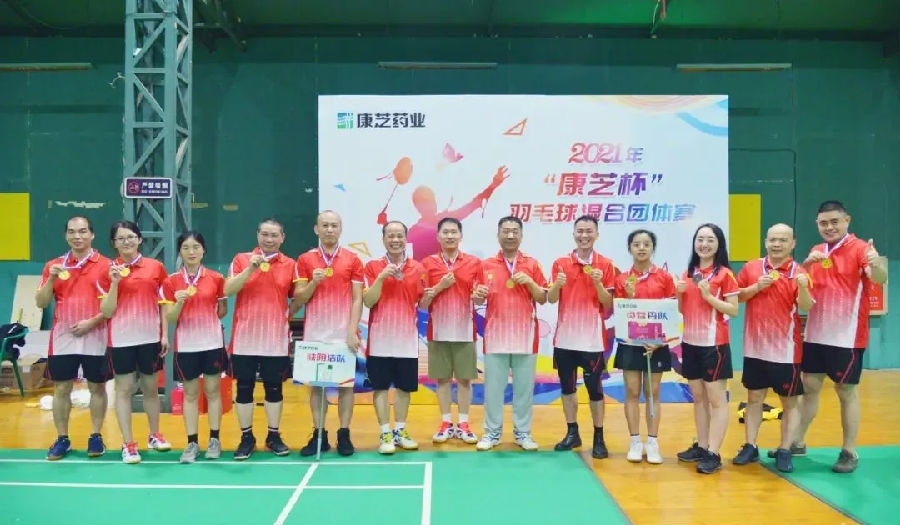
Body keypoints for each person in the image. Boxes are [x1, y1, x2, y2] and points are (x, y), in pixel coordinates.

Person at [793, 201, 887, 473]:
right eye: (823, 223)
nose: (829, 227)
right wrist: (805, 266)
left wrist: (876, 263)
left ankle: (849, 451)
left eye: (835, 221)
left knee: (846, 392)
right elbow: (804, 285)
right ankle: (797, 442)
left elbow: (879, 277)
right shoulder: (817, 250)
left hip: (847, 336)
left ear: (847, 220)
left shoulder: (861, 249)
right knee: (809, 388)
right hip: (816, 333)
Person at [732, 223, 812, 473]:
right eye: (772, 239)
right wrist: (756, 286)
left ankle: (785, 449)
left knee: (789, 403)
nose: (776, 244)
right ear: (766, 242)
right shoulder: (751, 267)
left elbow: (807, 306)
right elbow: (736, 297)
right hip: (755, 348)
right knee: (754, 398)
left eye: (782, 240)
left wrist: (802, 286)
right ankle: (750, 446)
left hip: (785, 351)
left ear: (792, 243)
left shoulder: (800, 272)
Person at [36, 216, 111, 461]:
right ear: (66, 235)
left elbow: (113, 306)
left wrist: (92, 322)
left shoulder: (106, 265)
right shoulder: (54, 265)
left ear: (92, 234)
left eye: (82, 231)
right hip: (63, 337)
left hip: (96, 335)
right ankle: (62, 439)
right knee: (61, 388)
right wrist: (51, 279)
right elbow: (41, 302)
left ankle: (96, 436)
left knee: (97, 387)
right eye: (71, 232)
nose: (77, 236)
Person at [99, 220, 171, 464]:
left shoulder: (155, 267)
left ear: (139, 239)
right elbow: (107, 311)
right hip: (121, 340)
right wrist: (114, 282)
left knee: (151, 389)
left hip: (150, 338)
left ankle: (154, 435)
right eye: (120, 238)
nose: (126, 242)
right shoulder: (108, 270)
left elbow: (163, 304)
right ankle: (128, 443)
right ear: (114, 243)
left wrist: (164, 334)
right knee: (124, 390)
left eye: (130, 237)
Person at [224, 218, 296, 460]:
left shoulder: (290, 264)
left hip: (275, 340)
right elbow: (228, 290)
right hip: (245, 338)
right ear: (257, 235)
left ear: (282, 238)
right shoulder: (241, 259)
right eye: (265, 234)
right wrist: (250, 269)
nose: (269, 239)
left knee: (274, 389)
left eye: (274, 235)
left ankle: (273, 436)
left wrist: (286, 315)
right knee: (244, 388)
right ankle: (247, 437)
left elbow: (299, 296)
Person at [294, 210, 364, 456]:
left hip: (343, 336)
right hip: (315, 335)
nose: (329, 229)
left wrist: (352, 331)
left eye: (334, 225)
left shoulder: (353, 259)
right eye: (324, 225)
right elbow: (300, 298)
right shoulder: (305, 260)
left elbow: (357, 299)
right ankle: (319, 434)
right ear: (317, 229)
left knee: (345, 387)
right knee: (316, 387)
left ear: (340, 229)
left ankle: (344, 433)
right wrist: (313, 282)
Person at [547, 215, 616, 459]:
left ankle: (599, 436)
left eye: (589, 231)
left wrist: (598, 284)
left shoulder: (605, 264)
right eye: (580, 231)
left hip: (591, 340)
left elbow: (608, 304)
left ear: (596, 234)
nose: (584, 235)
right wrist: (557, 285)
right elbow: (551, 299)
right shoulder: (560, 263)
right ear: (574, 234)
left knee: (595, 390)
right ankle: (572, 432)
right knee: (567, 388)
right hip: (565, 339)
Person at [476, 216, 548, 451]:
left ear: (521, 235)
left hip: (525, 338)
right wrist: (477, 295)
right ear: (498, 235)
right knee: (493, 390)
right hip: (495, 337)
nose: (510, 235)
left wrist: (530, 282)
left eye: (514, 231)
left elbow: (543, 298)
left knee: (524, 391)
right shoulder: (485, 265)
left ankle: (523, 433)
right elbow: (477, 299)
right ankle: (492, 433)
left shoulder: (532, 264)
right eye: (505, 231)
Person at [674, 223, 739, 474]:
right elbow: (683, 310)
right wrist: (680, 293)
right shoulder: (688, 273)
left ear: (719, 244)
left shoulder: (725, 275)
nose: (704, 244)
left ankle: (714, 452)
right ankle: (702, 446)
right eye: (700, 239)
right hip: (690, 343)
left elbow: (733, 309)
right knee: (698, 397)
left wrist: (709, 297)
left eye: (710, 240)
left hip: (715, 345)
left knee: (716, 400)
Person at [161, 231, 228, 463]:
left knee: (213, 391)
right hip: (186, 345)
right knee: (190, 394)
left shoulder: (216, 278)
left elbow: (222, 310)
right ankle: (192, 443)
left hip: (212, 343)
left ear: (203, 251)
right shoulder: (171, 282)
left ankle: (215, 440)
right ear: (180, 252)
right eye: (186, 247)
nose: (191, 252)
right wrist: (179, 303)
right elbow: (170, 318)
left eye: (196, 247)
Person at [612, 229, 677, 464]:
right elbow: (620, 314)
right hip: (631, 343)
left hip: (655, 344)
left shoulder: (665, 278)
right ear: (630, 249)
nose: (641, 248)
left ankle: (652, 442)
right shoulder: (622, 279)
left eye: (646, 244)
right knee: (632, 392)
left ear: (652, 248)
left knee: (652, 393)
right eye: (636, 244)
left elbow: (670, 313)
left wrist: (658, 342)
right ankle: (634, 441)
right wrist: (629, 297)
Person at [362, 221, 427, 454]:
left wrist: (434, 292)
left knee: (404, 388)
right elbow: (368, 301)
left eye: (399, 235)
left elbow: (422, 303)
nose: (395, 240)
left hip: (406, 341)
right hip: (380, 341)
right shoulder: (372, 267)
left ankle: (399, 430)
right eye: (390, 235)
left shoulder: (418, 268)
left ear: (406, 239)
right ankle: (385, 433)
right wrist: (380, 278)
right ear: (383, 239)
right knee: (380, 388)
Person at [421, 217, 483, 445]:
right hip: (438, 331)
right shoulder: (427, 264)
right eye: (445, 232)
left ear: (460, 235)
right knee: (443, 379)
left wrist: (479, 296)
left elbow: (480, 297)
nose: (449, 236)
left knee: (465, 380)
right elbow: (422, 304)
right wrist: (440, 286)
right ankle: (446, 423)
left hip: (465, 331)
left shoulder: (474, 263)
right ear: (438, 236)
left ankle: (464, 424)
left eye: (453, 232)